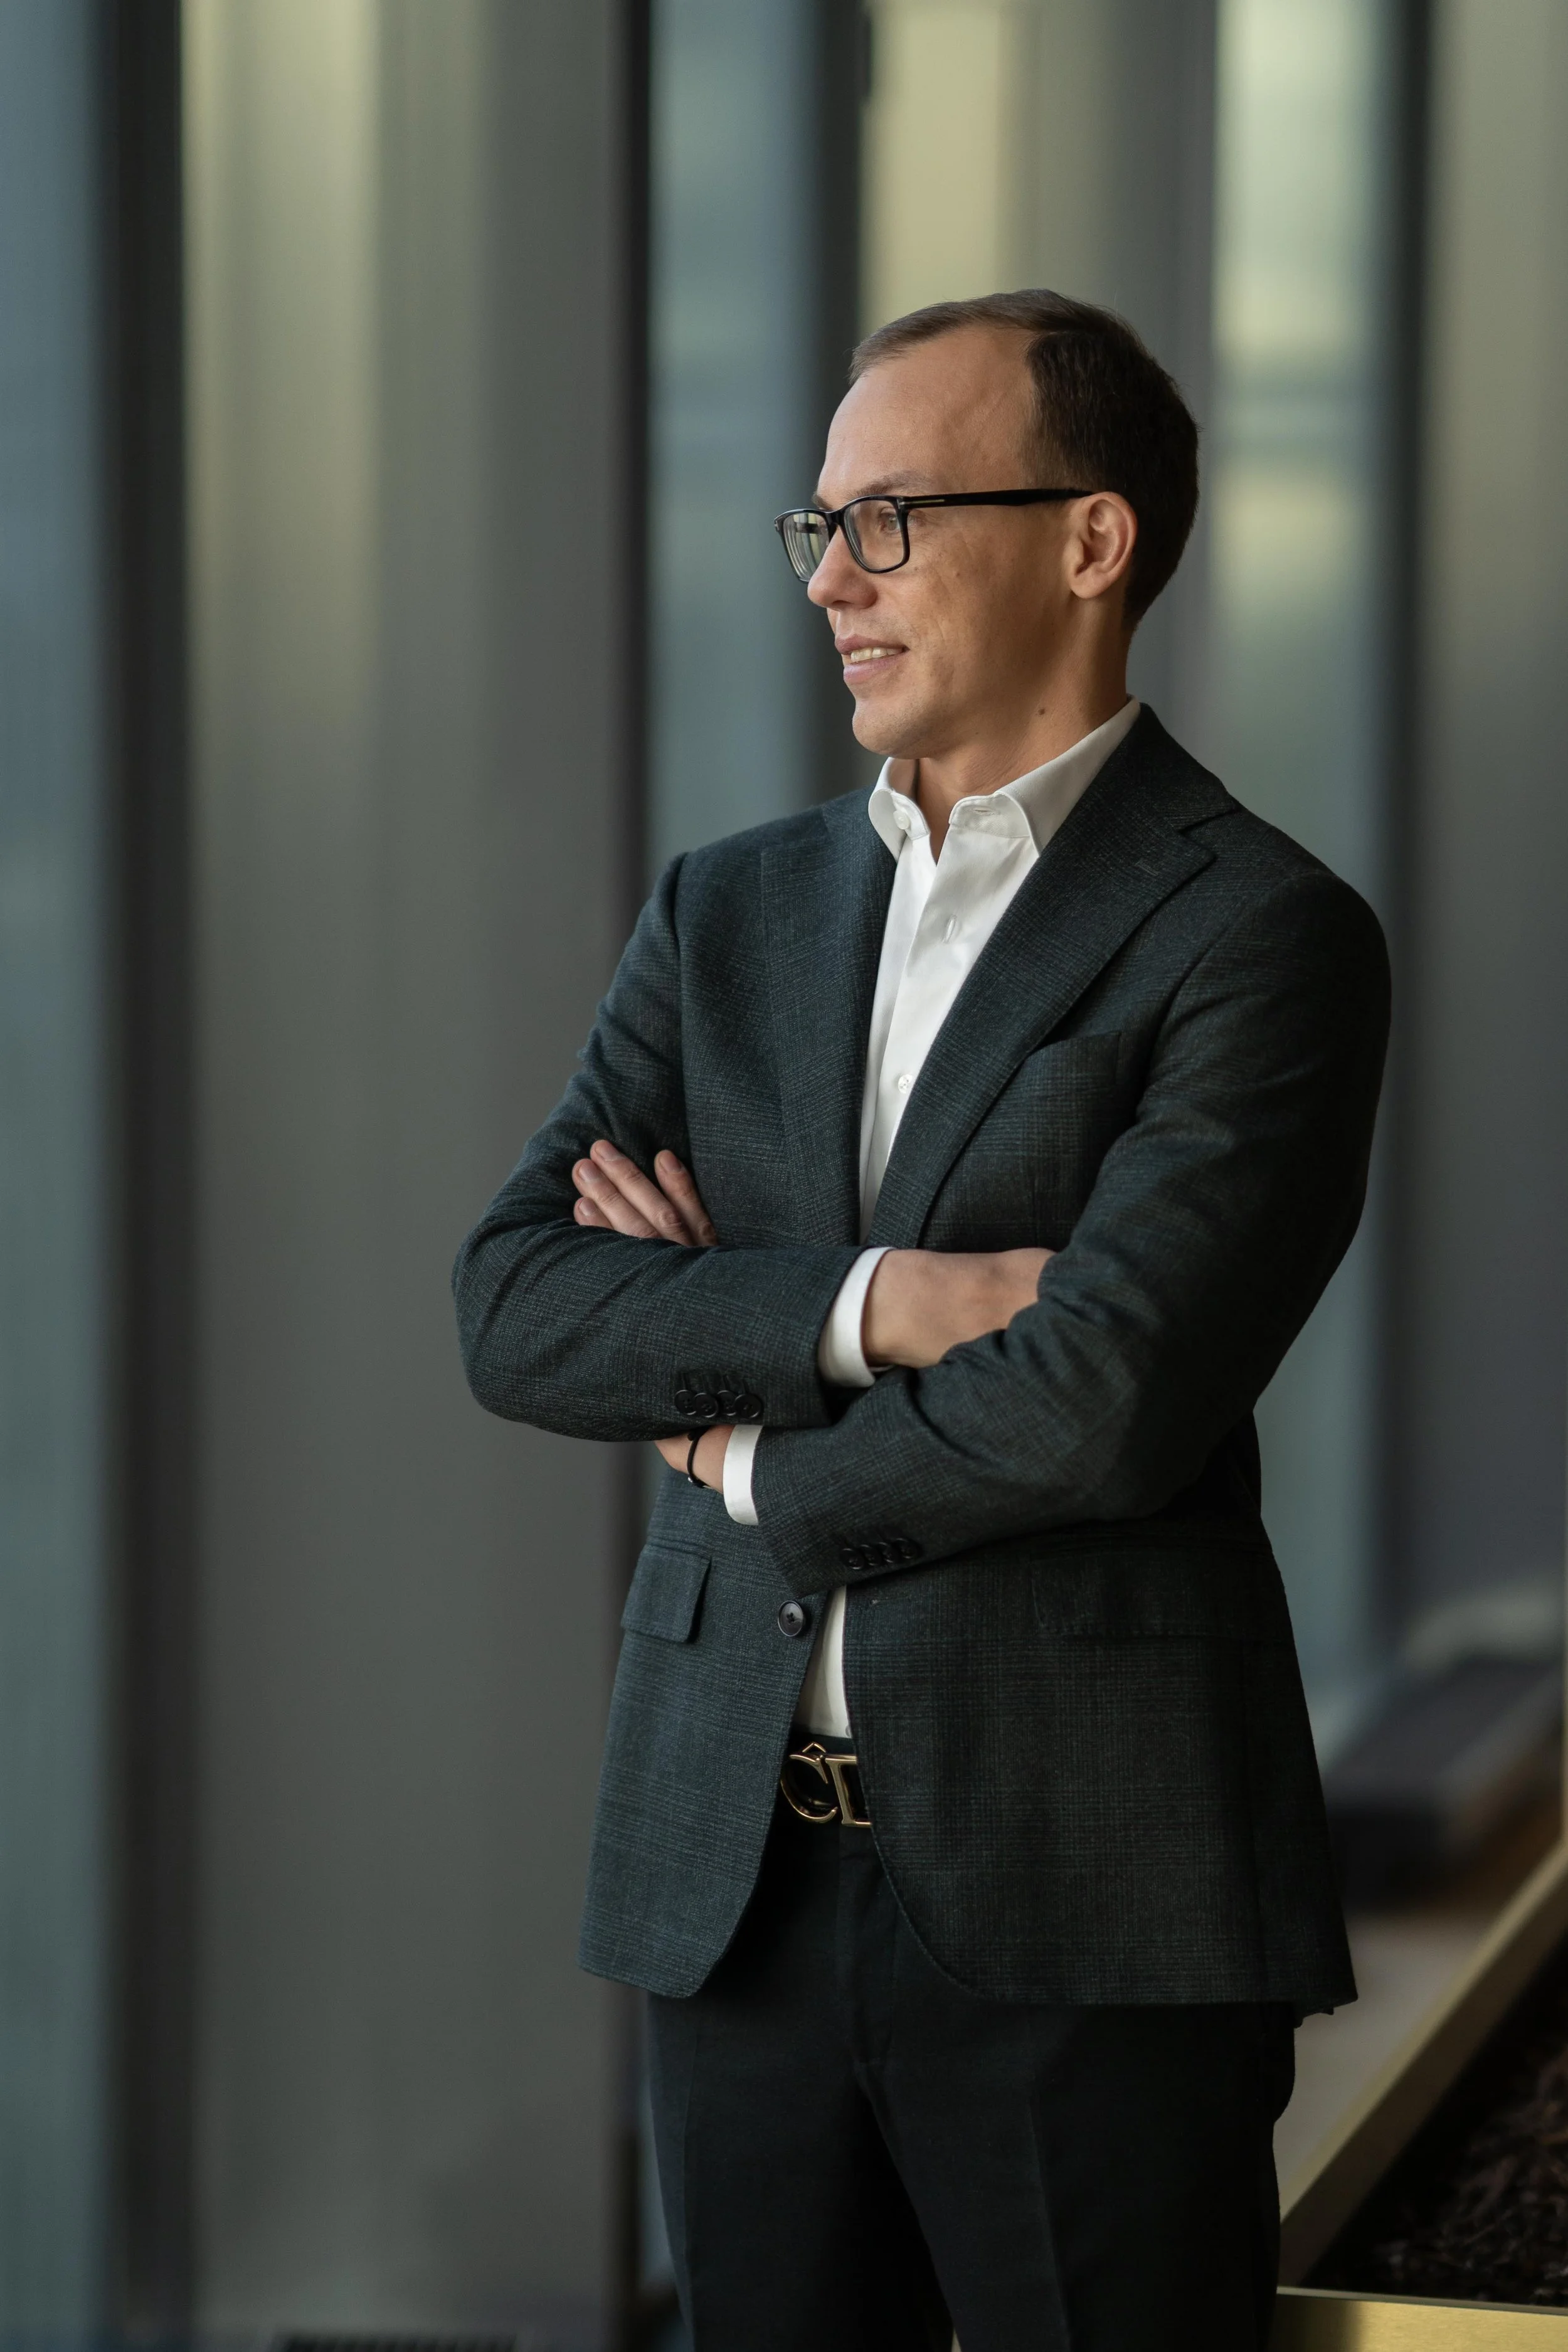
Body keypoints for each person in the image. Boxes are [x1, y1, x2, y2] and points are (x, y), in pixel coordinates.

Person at [453, 290, 1389, 2352]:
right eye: (820, 526)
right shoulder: (728, 911)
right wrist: (885, 1301)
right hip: (732, 1880)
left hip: (1092, 1893)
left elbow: (1102, 1397)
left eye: (889, 518)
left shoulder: (1259, 933)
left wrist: (742, 1448)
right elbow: (519, 1301)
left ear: (1089, 539)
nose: (830, 582)